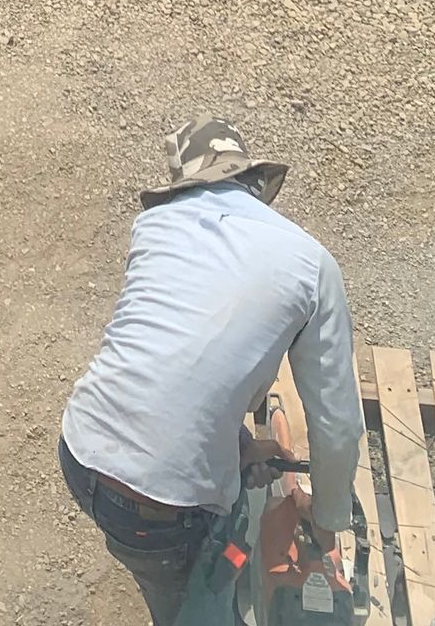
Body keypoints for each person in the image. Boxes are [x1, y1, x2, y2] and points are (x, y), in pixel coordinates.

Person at [58, 120, 362, 626]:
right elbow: (337, 425)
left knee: (169, 562)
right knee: (194, 603)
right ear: (251, 182)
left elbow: (178, 367)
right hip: (155, 512)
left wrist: (238, 452)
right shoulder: (311, 264)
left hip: (79, 448)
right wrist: (328, 523)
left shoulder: (154, 226)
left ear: (185, 184)